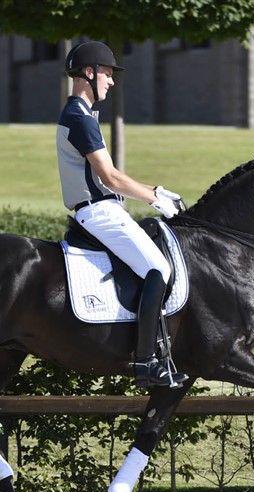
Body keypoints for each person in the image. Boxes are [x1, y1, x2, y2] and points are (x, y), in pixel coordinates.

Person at [57, 40, 188, 388]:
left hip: (105, 208)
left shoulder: (82, 115)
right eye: (108, 74)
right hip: (98, 211)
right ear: (90, 72)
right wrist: (155, 197)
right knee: (158, 268)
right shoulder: (79, 118)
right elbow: (110, 177)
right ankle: (146, 362)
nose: (112, 82)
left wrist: (153, 192)